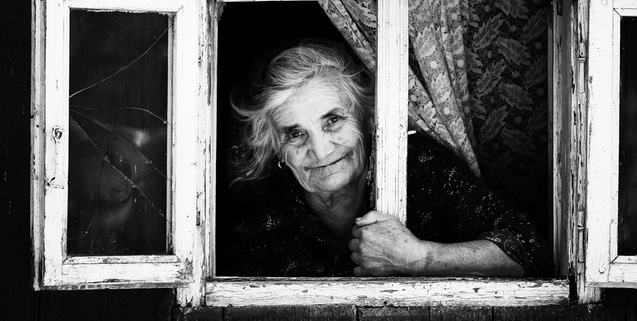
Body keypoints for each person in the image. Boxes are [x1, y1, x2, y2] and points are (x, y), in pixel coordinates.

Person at [224, 39, 552, 278]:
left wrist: (419, 258)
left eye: (333, 120)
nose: (321, 151)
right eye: (295, 134)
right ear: (277, 149)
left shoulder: (421, 169)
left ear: (368, 119)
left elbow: (531, 252)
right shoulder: (260, 232)